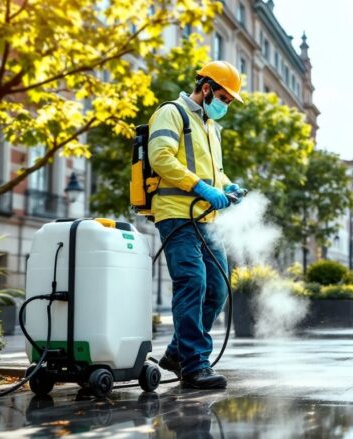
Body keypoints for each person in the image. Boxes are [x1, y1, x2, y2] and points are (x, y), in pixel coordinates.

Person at [147, 61, 244, 389]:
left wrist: (228, 187)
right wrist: (201, 188)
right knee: (192, 282)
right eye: (223, 98)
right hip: (176, 214)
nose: (225, 105)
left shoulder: (211, 128)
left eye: (229, 101)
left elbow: (216, 173)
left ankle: (177, 352)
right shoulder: (171, 113)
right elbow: (161, 157)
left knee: (218, 288)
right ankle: (194, 364)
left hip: (206, 219)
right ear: (206, 89)